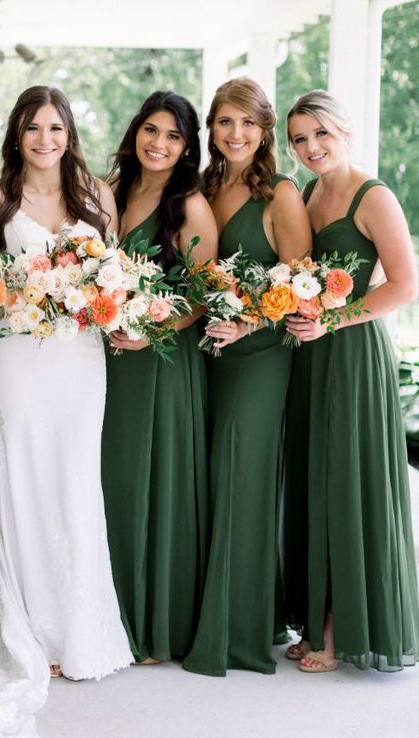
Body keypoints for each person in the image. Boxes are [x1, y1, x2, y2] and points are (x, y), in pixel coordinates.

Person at [0, 85, 132, 680]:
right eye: (33, 128)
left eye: (55, 128)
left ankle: (80, 629)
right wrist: (21, 286)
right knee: (20, 474)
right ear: (17, 133)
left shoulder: (97, 196)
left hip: (80, 359)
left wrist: (88, 296)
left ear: (69, 135)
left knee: (74, 478)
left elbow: (112, 279)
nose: (44, 139)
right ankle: (31, 625)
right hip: (19, 354)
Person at [283, 90, 419, 673]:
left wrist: (330, 318)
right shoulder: (310, 192)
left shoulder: (374, 196)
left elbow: (403, 286)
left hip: (353, 355)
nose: (311, 148)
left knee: (346, 482)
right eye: (298, 139)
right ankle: (315, 617)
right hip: (309, 355)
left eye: (320, 134)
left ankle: (342, 630)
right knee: (314, 479)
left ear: (346, 131)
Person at [183, 77, 311, 676]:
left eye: (248, 124)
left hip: (259, 358)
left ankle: (238, 628)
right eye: (225, 123)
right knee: (209, 479)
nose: (236, 135)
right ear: (211, 129)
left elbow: (299, 283)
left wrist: (245, 325)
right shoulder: (202, 188)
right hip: (204, 355)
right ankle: (203, 609)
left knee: (242, 478)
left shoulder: (281, 194)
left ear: (264, 133)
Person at [102, 91, 217, 663]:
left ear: (188, 147)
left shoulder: (190, 204)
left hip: (165, 360)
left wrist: (153, 331)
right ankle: (112, 615)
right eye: (151, 130)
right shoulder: (110, 190)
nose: (159, 144)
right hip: (110, 360)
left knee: (158, 480)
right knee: (115, 480)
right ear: (136, 131)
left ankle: (156, 624)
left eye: (173, 136)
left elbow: (201, 291)